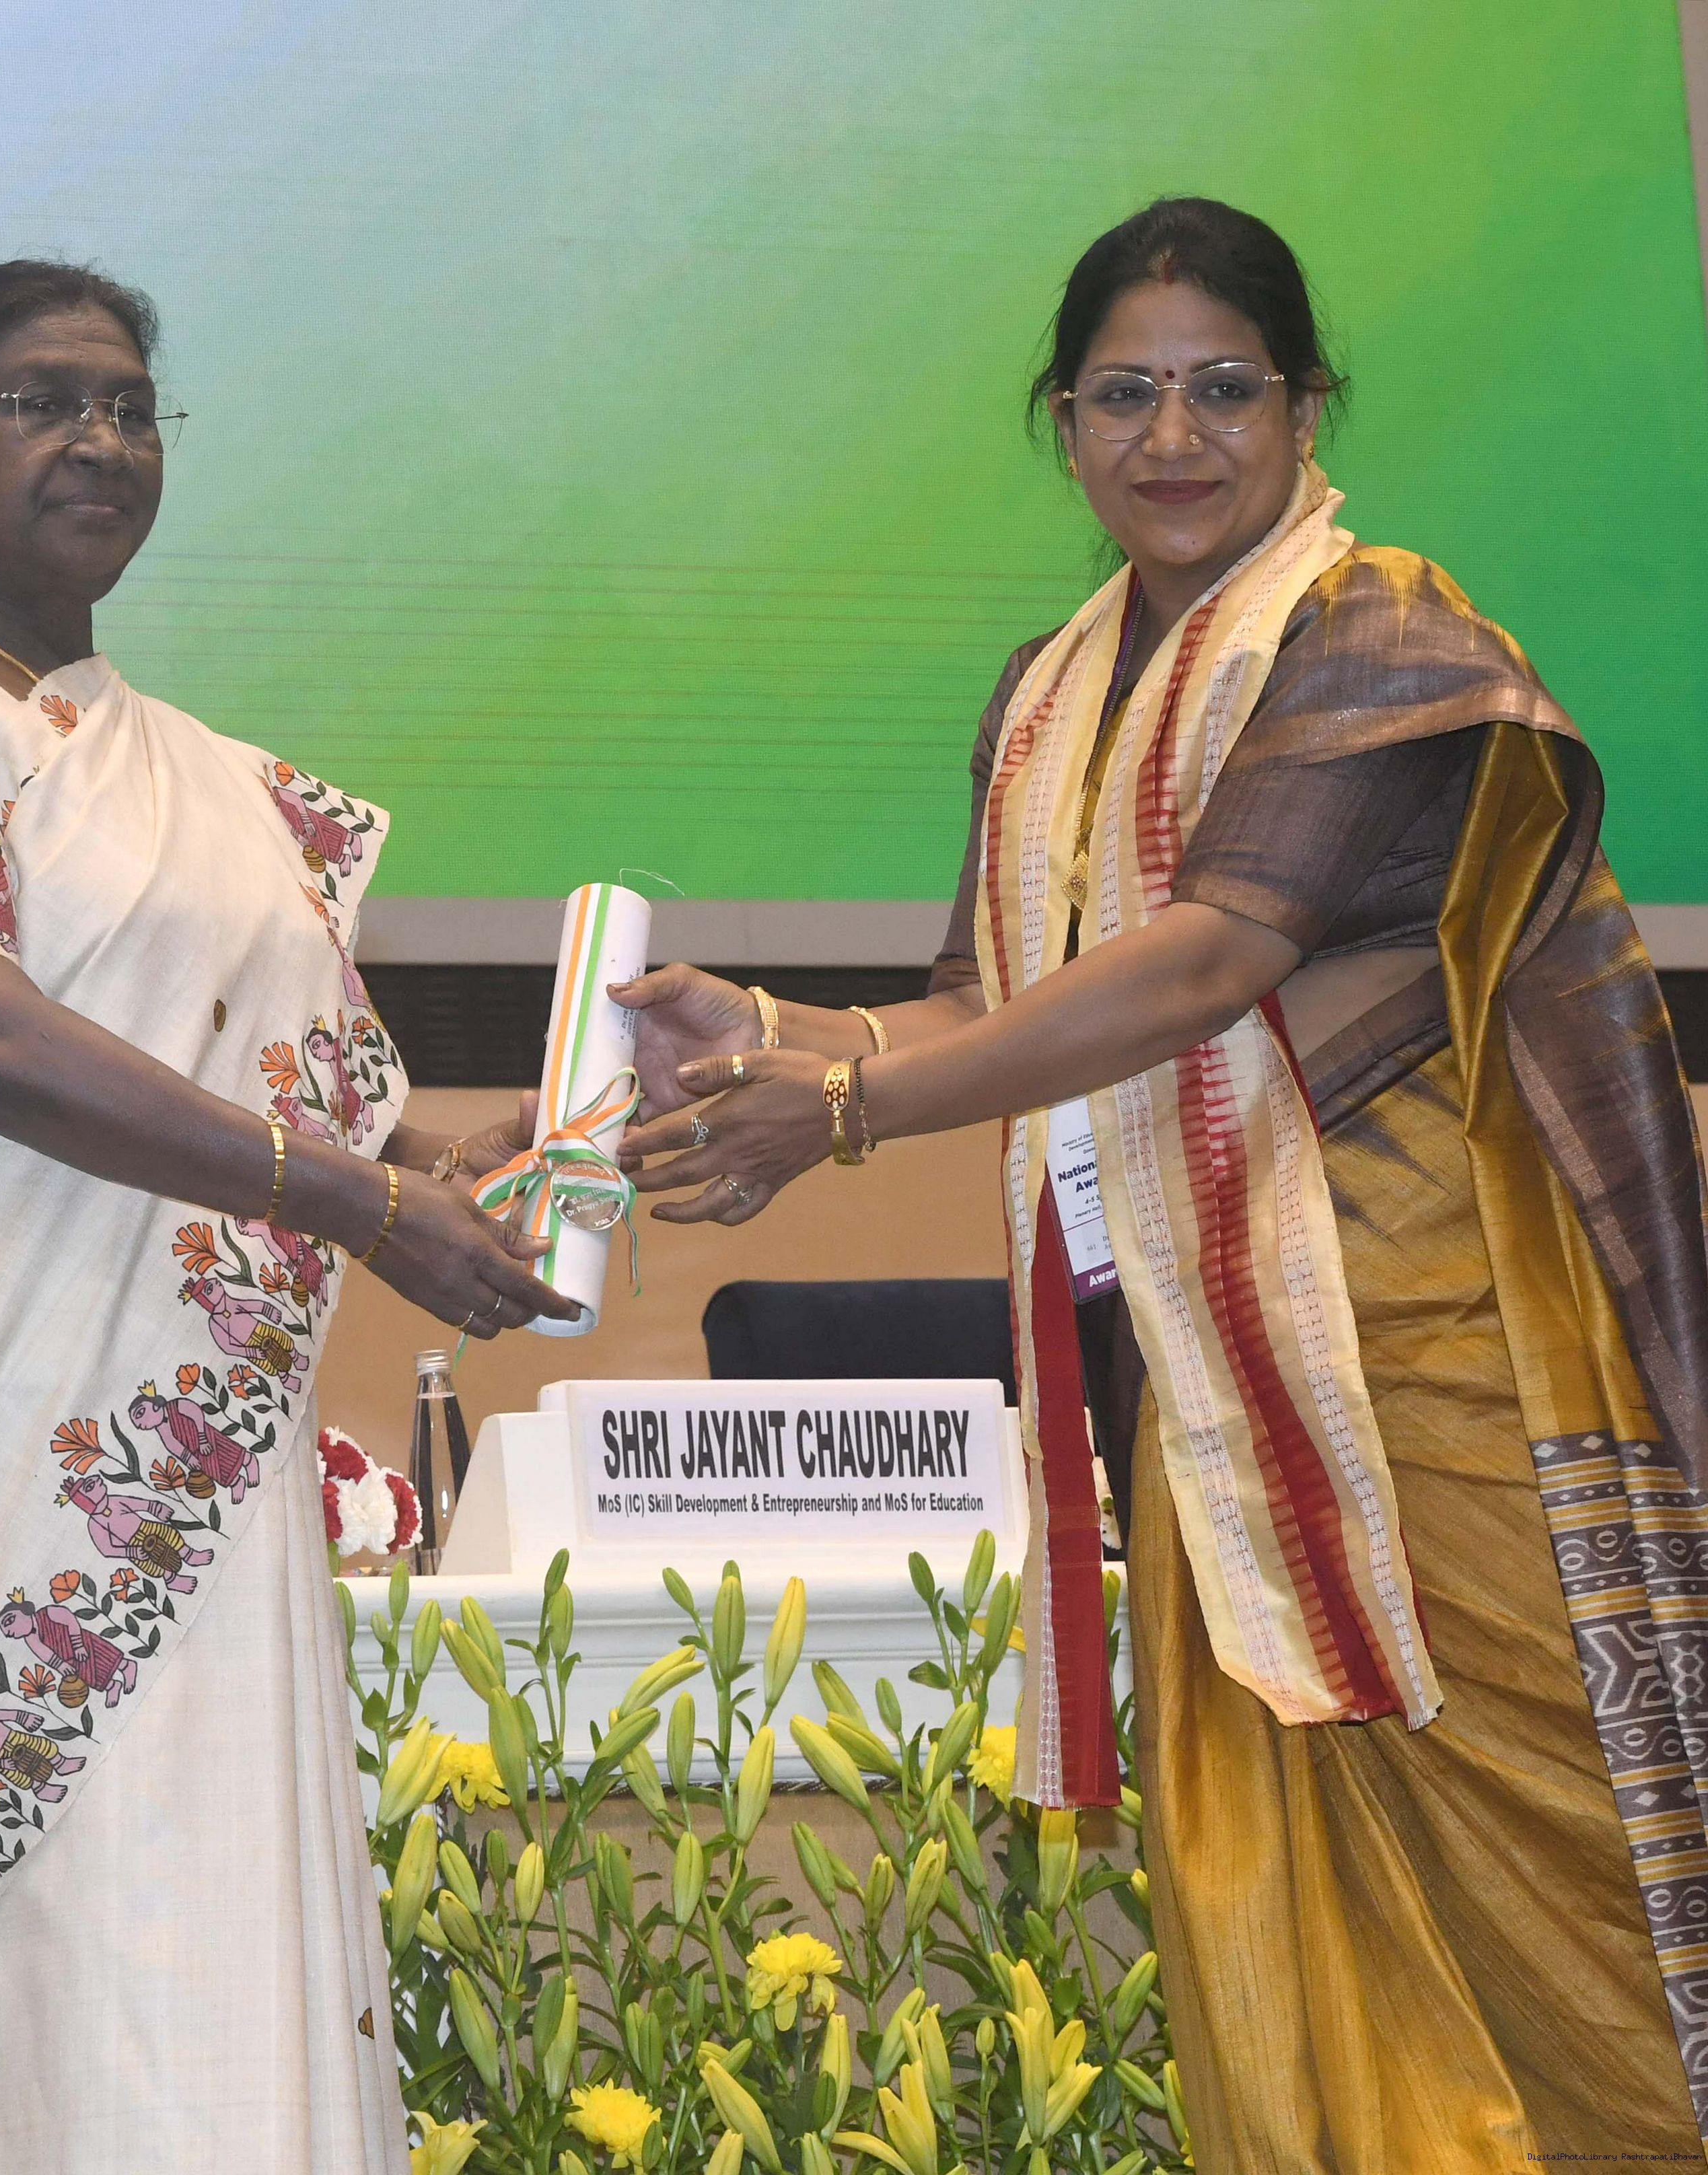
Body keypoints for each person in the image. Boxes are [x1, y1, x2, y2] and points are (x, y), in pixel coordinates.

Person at [610, 197, 1708, 2167]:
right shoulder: (1047, 693)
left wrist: (843, 1112)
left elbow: (1203, 959)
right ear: (1059, 423)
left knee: (1552, 1867)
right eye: (1121, 394)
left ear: (1303, 410)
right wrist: (771, 1030)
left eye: (1221, 389)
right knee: (1279, 1898)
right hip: (1208, 1383)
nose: (1171, 435)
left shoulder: (1377, 638)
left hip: (1426, 1372)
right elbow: (986, 996)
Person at [0, 259, 571, 2173]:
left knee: (200, 1946)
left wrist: (459, 1163)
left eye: (127, 405)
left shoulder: (189, 769)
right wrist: (355, 1197)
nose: (100, 439)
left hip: (186, 1481)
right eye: (41, 402)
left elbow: (299, 1094)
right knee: (45, 1988)